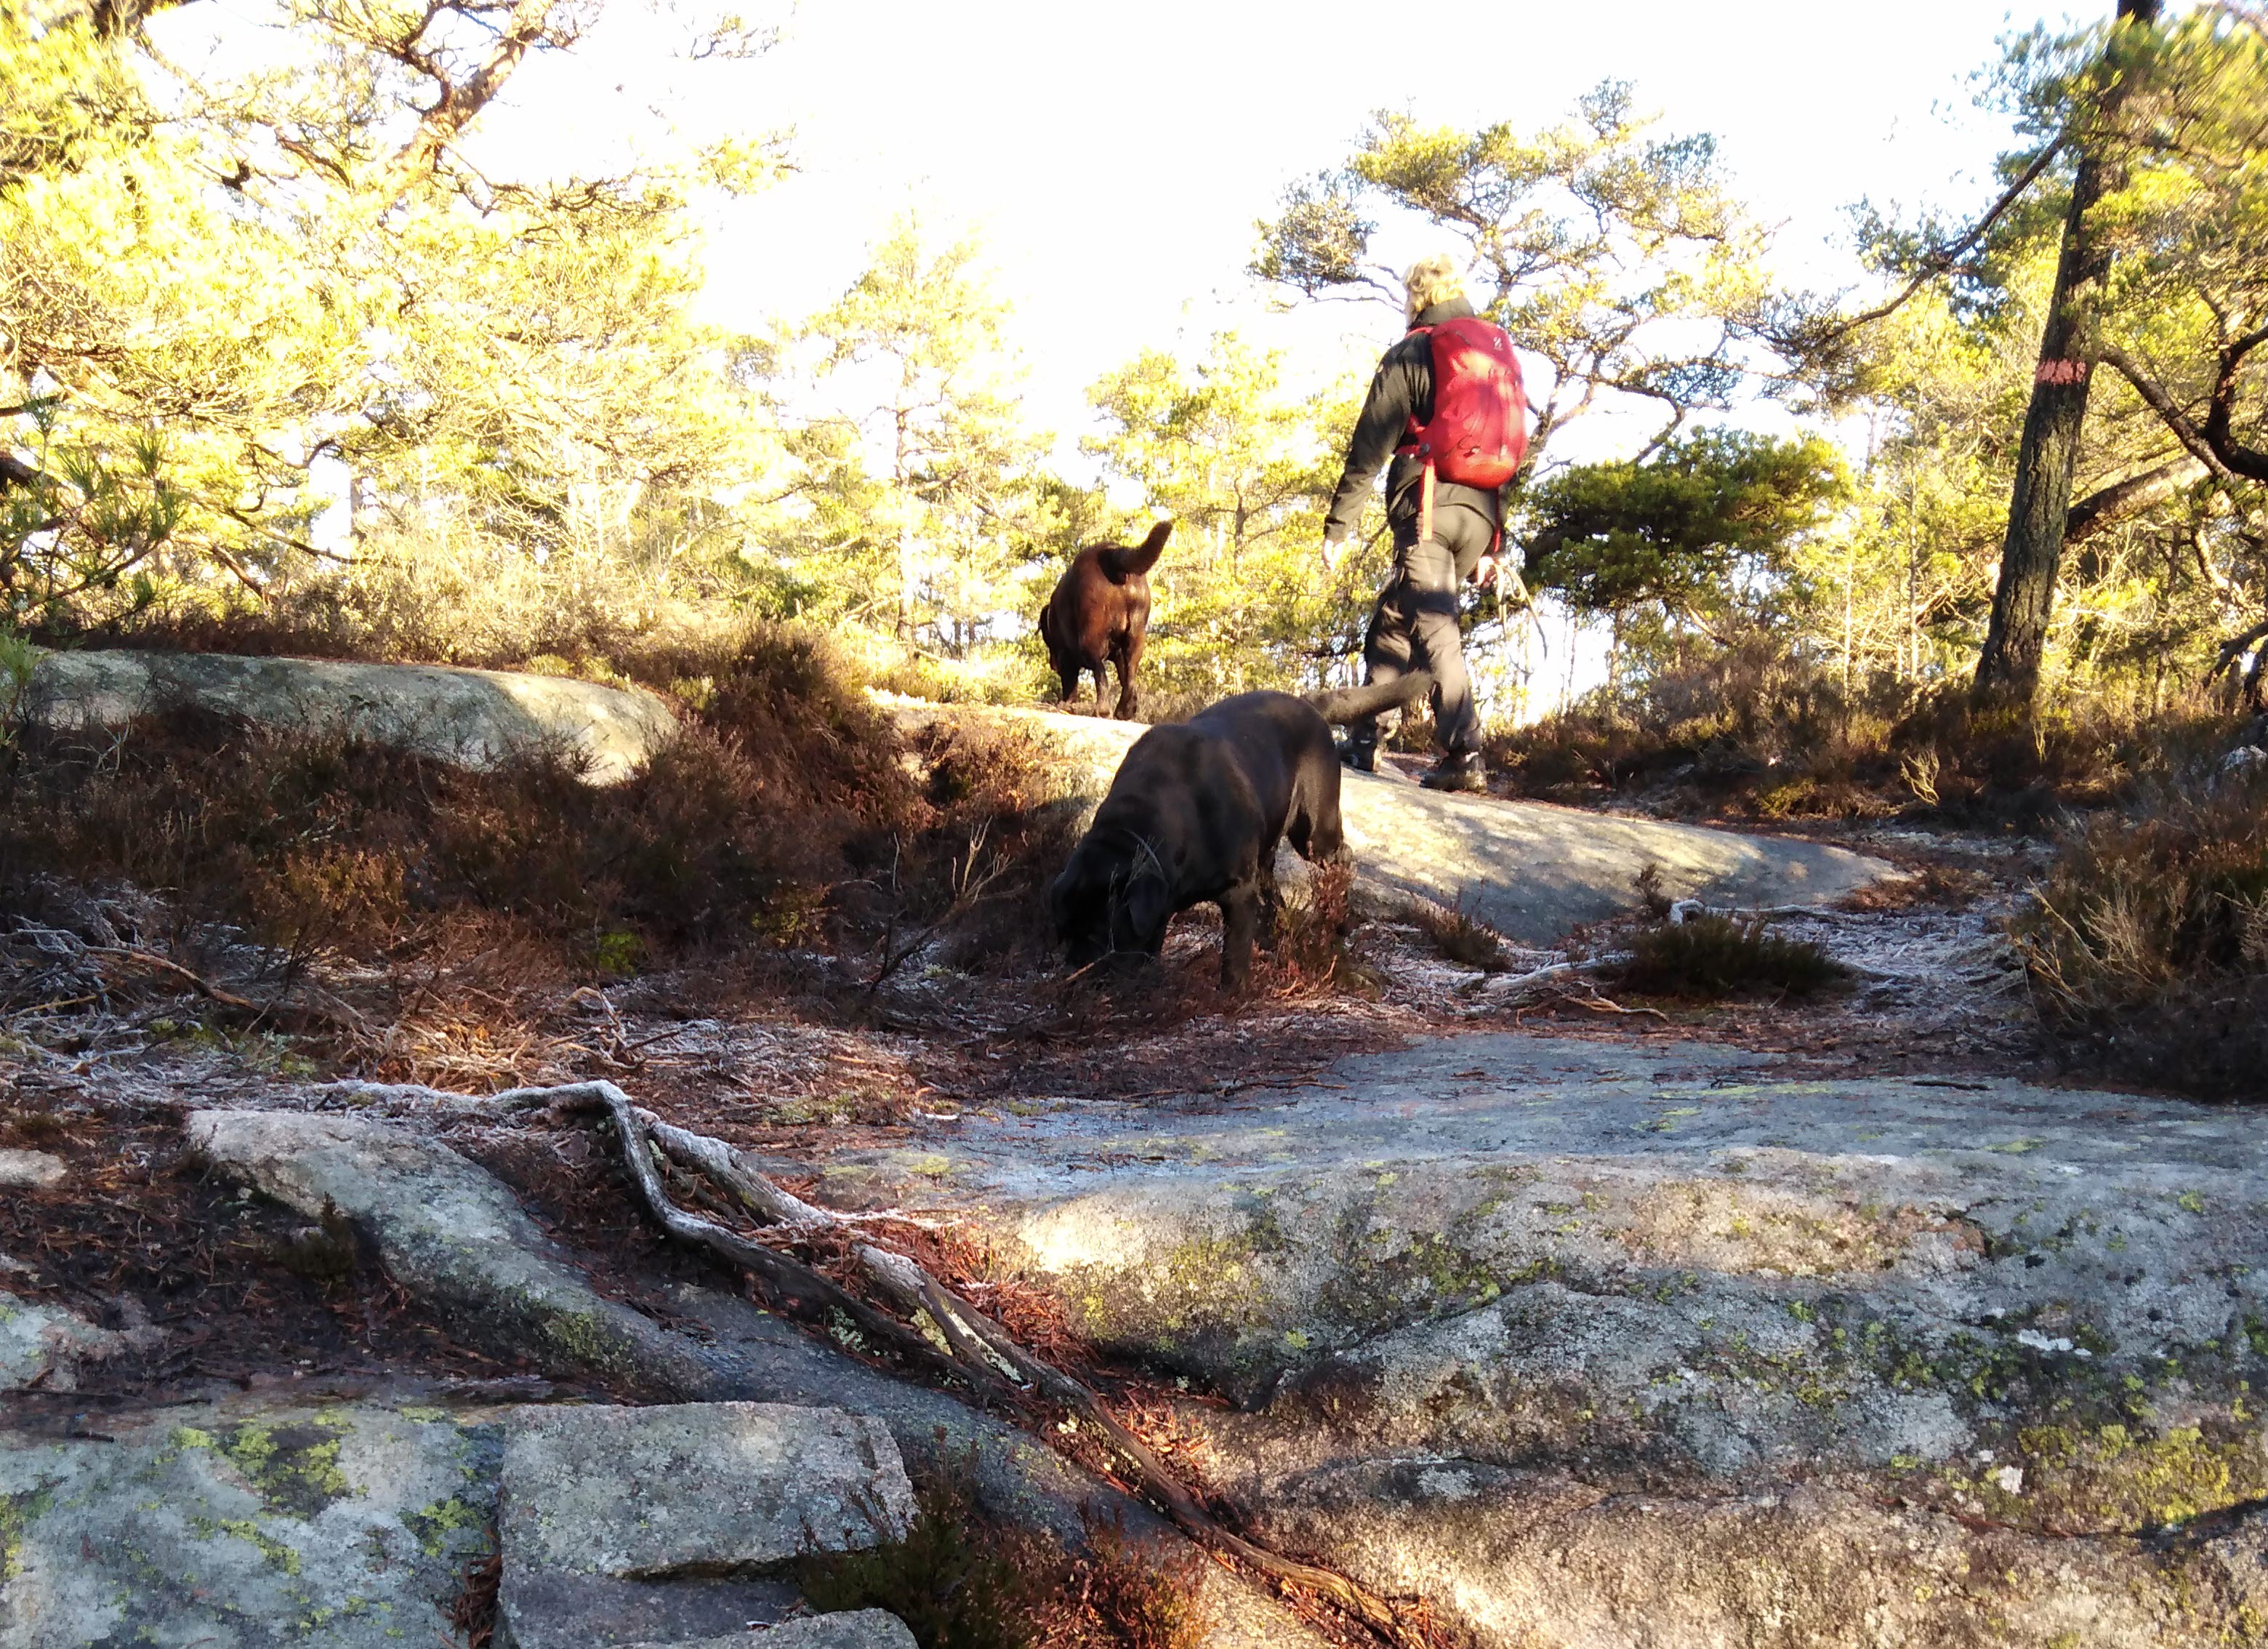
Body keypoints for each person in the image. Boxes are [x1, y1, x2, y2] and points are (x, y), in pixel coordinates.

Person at [1319, 254, 1526, 793]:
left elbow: (1370, 446)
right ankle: (1366, 737)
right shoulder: (1491, 355)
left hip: (1430, 506)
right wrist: (1494, 543)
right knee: (1396, 616)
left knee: (1436, 630)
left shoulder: (1413, 352)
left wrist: (1339, 527)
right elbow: (1502, 446)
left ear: (1416, 297)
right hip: (1479, 516)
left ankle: (1465, 753)